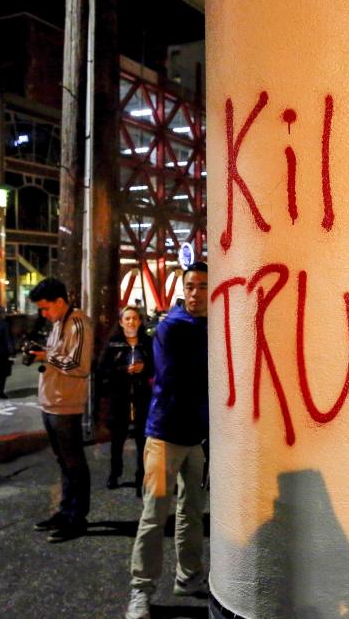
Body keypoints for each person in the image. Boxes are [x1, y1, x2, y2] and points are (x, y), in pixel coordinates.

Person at [126, 262, 209, 619]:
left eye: (203, 286)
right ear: (184, 288)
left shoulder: (212, 325)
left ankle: (187, 576)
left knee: (192, 511)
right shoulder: (171, 327)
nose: (195, 293)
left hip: (196, 437)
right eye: (190, 286)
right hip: (163, 434)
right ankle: (140, 590)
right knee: (155, 512)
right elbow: (174, 377)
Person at [28, 277, 93, 544]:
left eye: (45, 308)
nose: (43, 314)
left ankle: (77, 517)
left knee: (74, 463)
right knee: (64, 462)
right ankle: (66, 512)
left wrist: (46, 356)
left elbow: (80, 365)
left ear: (60, 301)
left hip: (66, 405)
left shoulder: (78, 322)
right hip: (52, 403)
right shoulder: (57, 324)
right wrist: (43, 354)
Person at [98, 305, 153, 495]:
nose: (131, 322)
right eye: (127, 319)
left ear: (140, 322)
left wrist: (144, 369)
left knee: (142, 441)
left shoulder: (147, 343)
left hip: (141, 398)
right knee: (117, 440)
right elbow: (102, 369)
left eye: (135, 318)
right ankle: (114, 473)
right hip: (119, 398)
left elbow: (156, 367)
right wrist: (122, 370)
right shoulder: (113, 343)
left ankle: (141, 477)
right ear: (121, 322)